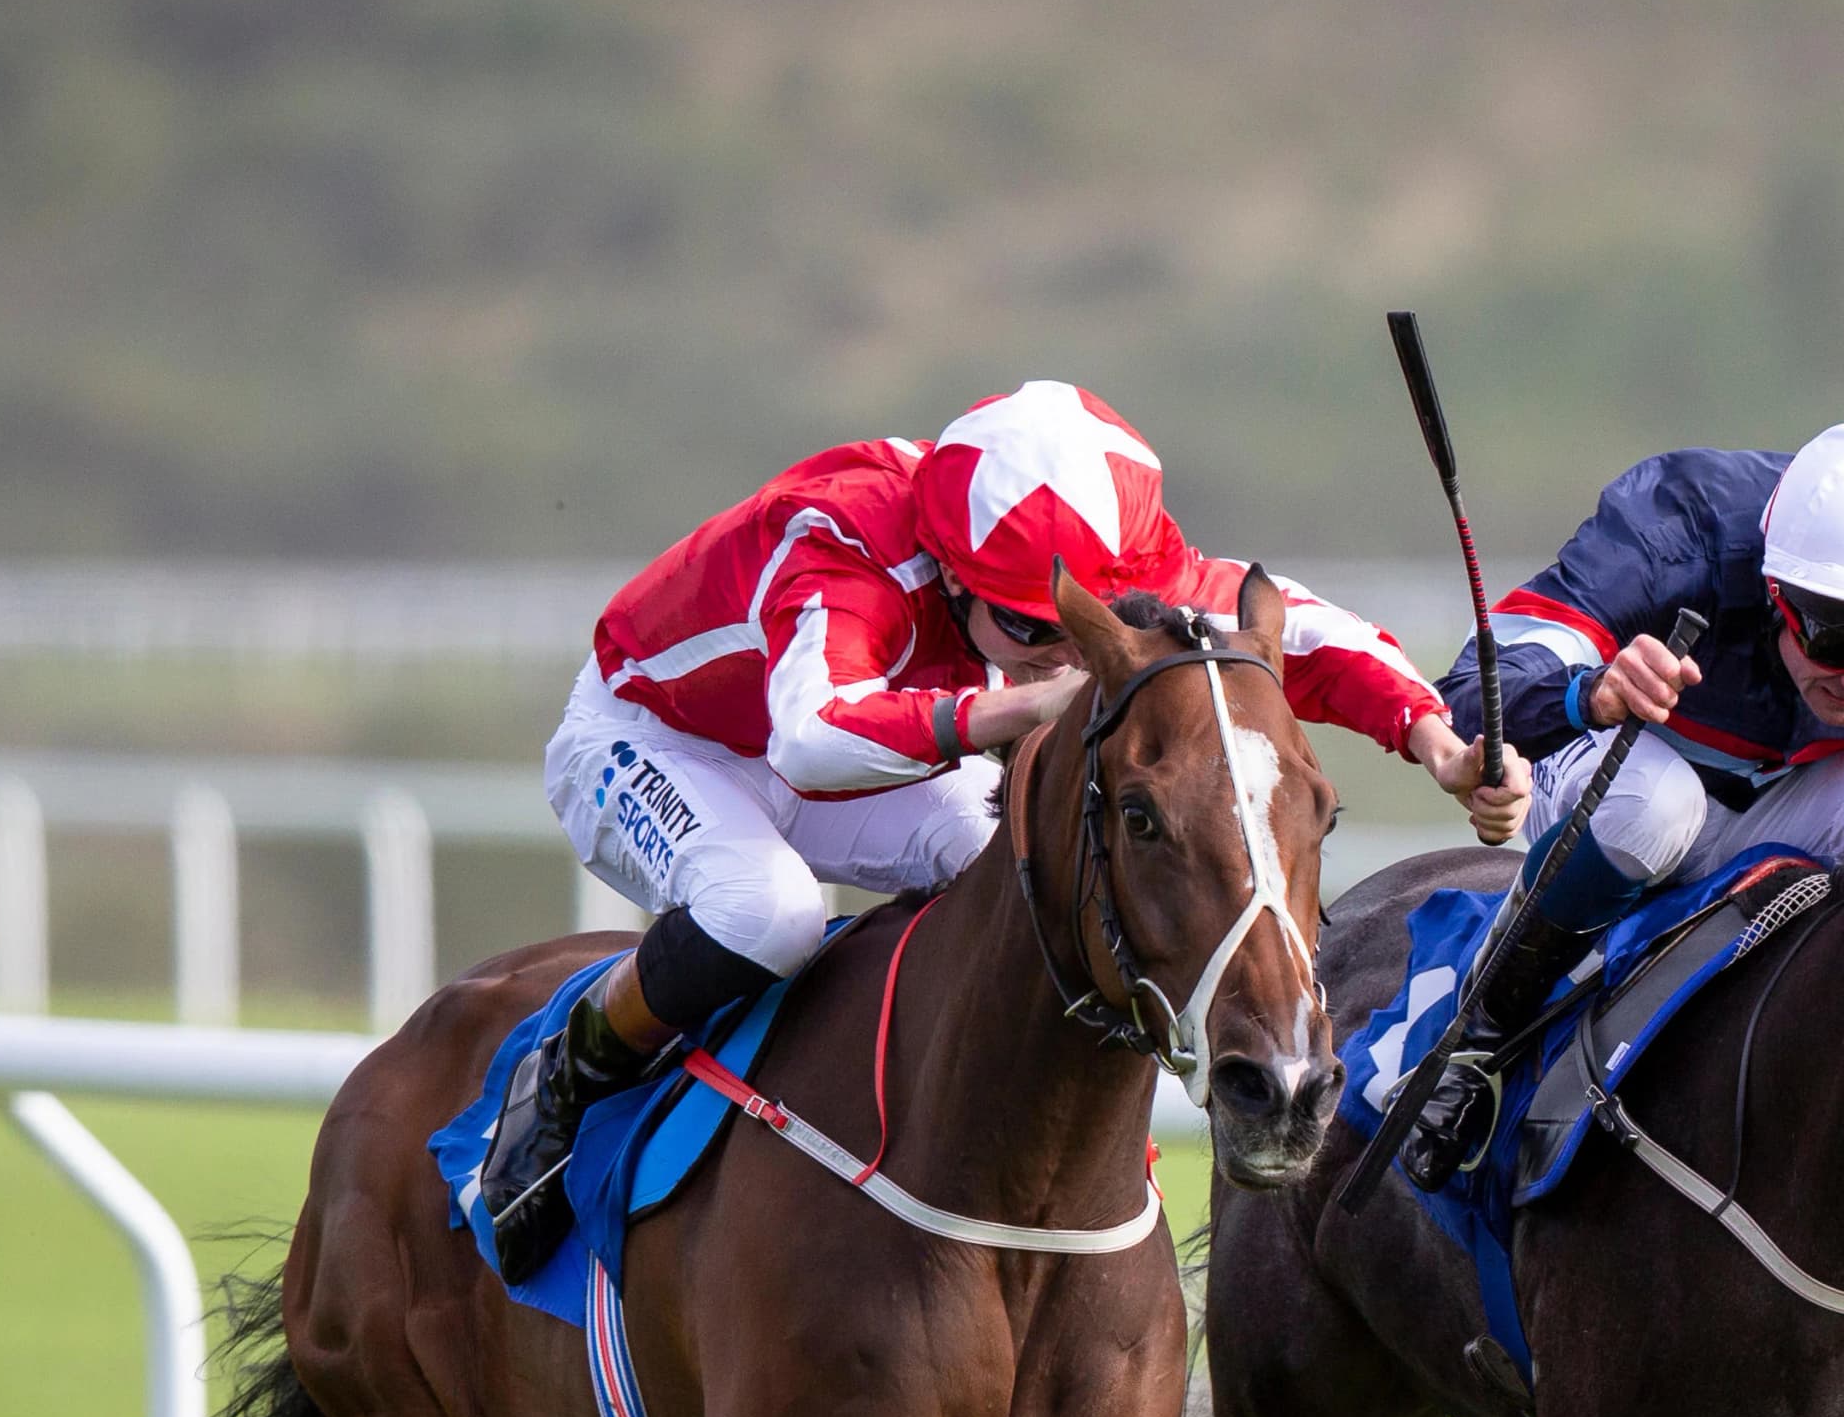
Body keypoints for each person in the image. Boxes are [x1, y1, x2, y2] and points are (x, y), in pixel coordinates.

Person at [481, 378, 1529, 1280]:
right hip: (660, 741)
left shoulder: (1102, 559)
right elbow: (809, 738)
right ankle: (572, 1069)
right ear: (949, 569)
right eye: (1029, 628)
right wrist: (1005, 711)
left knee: (1025, 881)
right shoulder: (845, 532)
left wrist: (1435, 739)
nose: (1052, 650)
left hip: (854, 750)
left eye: (1075, 623)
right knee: (771, 911)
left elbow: (1295, 625)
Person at [1396, 420, 1844, 1188]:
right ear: (1776, 590)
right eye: (1836, 642)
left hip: (1795, 802)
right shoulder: (1679, 530)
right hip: (1623, 781)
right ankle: (1479, 1035)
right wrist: (1590, 692)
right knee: (1656, 806)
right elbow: (1470, 701)